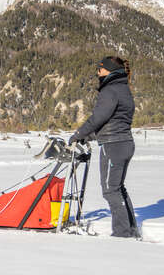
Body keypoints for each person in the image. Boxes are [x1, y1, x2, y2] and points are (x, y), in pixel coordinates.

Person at [68, 56, 139, 238]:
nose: (97, 72)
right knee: (118, 188)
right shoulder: (123, 88)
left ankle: (122, 234)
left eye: (100, 69)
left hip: (113, 145)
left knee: (110, 190)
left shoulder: (110, 90)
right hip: (124, 142)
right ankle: (131, 230)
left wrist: (78, 134)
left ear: (108, 70)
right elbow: (114, 120)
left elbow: (98, 118)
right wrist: (90, 136)